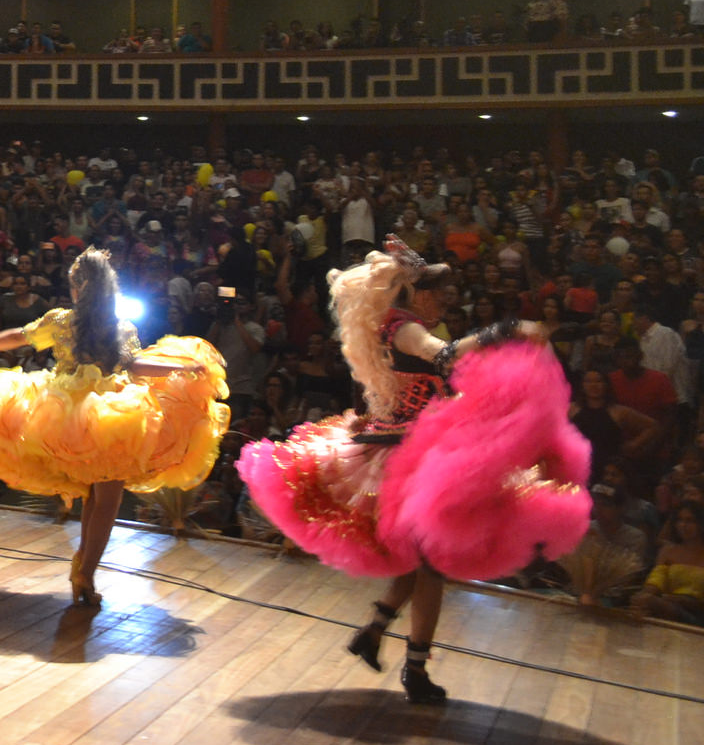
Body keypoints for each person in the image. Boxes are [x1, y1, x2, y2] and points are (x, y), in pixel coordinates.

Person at [237, 238, 591, 705]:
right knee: (431, 562)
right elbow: (446, 357)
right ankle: (415, 669)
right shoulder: (404, 330)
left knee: (420, 557)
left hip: (409, 446)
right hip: (404, 456)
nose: (444, 301)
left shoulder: (393, 326)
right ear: (414, 293)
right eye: (437, 293)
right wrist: (507, 330)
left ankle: (376, 630)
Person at [0, 248, 230, 607]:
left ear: (79, 288)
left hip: (85, 413)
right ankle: (84, 572)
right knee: (104, 497)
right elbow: (132, 364)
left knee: (100, 496)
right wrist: (181, 370)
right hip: (105, 416)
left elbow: (22, 337)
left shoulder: (75, 322)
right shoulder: (93, 323)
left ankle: (84, 570)